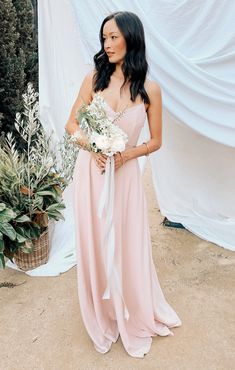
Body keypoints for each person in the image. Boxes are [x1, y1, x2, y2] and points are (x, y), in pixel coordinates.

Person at [65, 11, 182, 358]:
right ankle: (103, 311)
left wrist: (130, 154)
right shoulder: (94, 80)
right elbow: (72, 124)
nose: (108, 44)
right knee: (95, 242)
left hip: (126, 176)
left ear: (132, 37)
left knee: (126, 243)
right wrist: (93, 147)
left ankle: (131, 309)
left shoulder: (151, 90)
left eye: (114, 36)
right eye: (104, 38)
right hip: (92, 173)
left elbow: (156, 141)